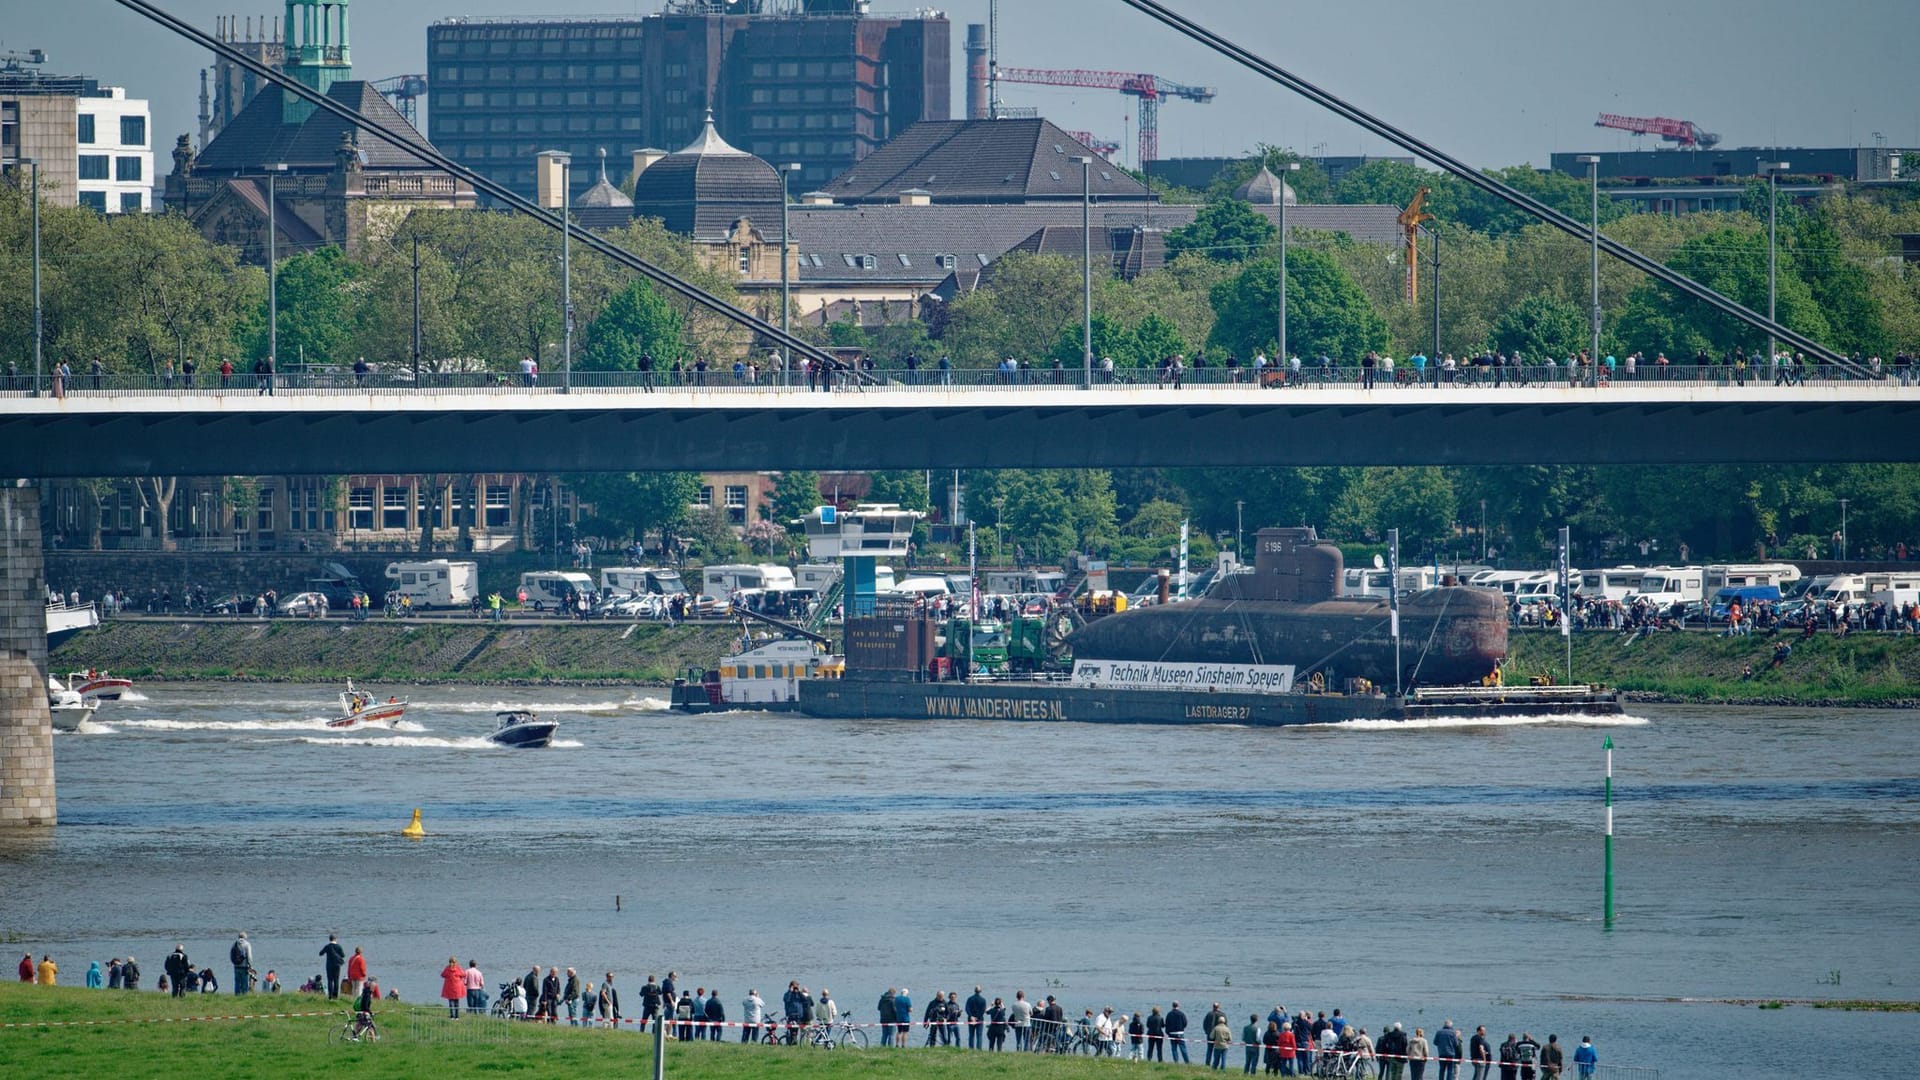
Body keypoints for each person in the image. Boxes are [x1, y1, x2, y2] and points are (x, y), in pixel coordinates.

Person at [349, 976, 377, 1041]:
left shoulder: (365, 991)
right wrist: (370, 1012)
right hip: (363, 1013)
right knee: (370, 1027)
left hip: (361, 1012)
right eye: (374, 986)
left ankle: (353, 1038)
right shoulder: (367, 994)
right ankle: (373, 1043)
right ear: (371, 986)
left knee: (359, 1026)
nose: (374, 988)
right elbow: (365, 1006)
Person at [319, 935, 346, 1000]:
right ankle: (335, 996)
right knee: (336, 980)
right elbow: (343, 955)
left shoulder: (327, 947)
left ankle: (330, 996)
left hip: (329, 966)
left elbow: (320, 953)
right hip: (337, 965)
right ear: (335, 939)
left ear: (329, 939)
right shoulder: (338, 946)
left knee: (330, 980)